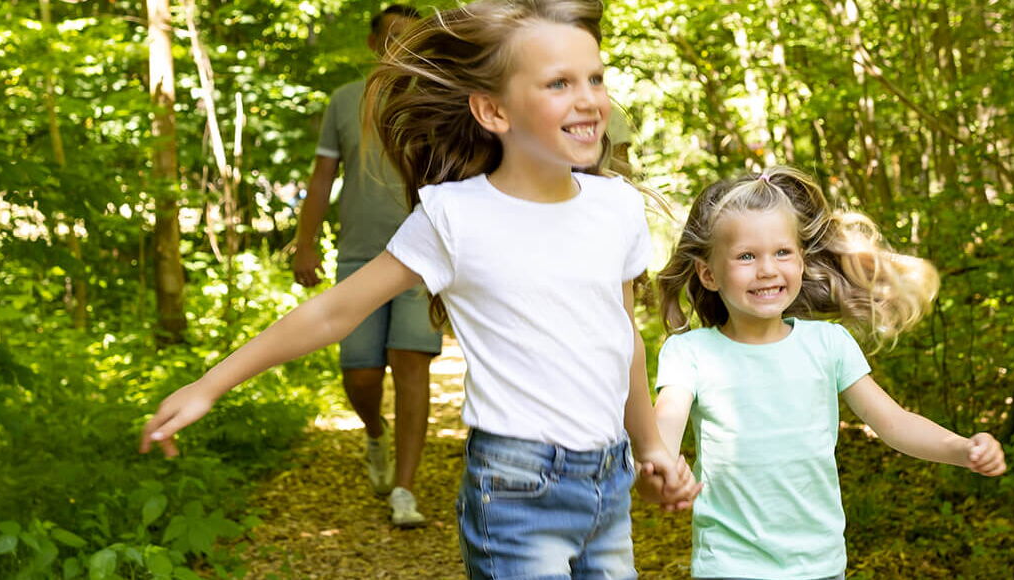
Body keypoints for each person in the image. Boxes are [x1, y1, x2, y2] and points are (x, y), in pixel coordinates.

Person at [139, 0, 699, 576]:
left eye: (595, 78)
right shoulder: (455, 215)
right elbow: (334, 314)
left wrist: (650, 445)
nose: (588, 100)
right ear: (492, 110)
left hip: (608, 480)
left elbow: (621, 336)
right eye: (559, 83)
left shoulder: (616, 207)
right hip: (517, 488)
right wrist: (209, 385)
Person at [651, 167, 1008, 580]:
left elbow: (893, 422)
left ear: (801, 261)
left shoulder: (828, 345)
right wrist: (662, 465)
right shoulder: (691, 353)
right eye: (747, 256)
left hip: (819, 566)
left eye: (782, 252)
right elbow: (665, 425)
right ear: (708, 273)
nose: (767, 269)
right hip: (729, 566)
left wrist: (960, 449)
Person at [289, 3, 436, 528]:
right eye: (392, 36)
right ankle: (375, 433)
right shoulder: (344, 101)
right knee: (361, 370)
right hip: (358, 253)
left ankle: (405, 488)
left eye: (410, 37)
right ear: (375, 44)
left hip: (425, 255)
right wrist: (305, 243)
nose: (400, 46)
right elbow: (322, 178)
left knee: (410, 359)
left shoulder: (436, 100)